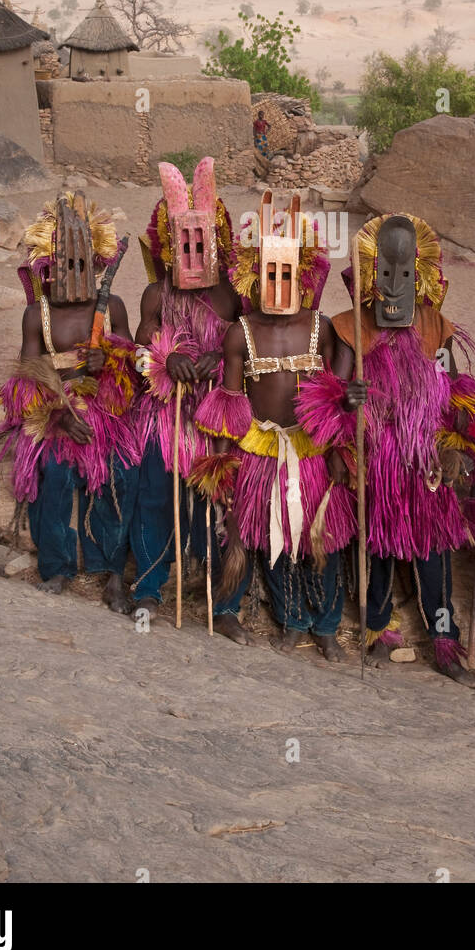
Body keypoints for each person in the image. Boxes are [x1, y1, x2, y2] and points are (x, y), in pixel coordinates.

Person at [297, 213, 475, 683]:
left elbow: (457, 394)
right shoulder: (350, 330)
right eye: (384, 274)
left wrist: (453, 445)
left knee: (433, 552)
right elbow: (326, 394)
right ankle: (376, 626)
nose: (393, 286)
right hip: (377, 464)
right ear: (370, 273)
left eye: (404, 275)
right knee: (377, 547)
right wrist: (347, 399)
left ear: (419, 274)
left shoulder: (434, 327)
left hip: (424, 462)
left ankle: (445, 638)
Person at [194, 191, 356, 660]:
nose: (279, 282)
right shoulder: (239, 333)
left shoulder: (321, 328)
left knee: (318, 536)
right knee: (260, 532)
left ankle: (325, 625)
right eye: (270, 272)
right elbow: (228, 400)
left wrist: (337, 450)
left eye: (288, 272)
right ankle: (284, 619)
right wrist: (222, 464)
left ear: (303, 273)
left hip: (308, 449)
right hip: (258, 446)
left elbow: (330, 393)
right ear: (254, 273)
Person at [0, 191, 139, 612]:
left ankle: (111, 572)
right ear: (46, 267)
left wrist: (108, 357)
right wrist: (57, 415)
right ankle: (56, 568)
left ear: (96, 266)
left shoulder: (113, 307)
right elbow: (26, 377)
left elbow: (134, 364)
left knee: (120, 473)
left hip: (106, 411)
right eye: (61, 265)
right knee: (53, 474)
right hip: (54, 413)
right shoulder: (36, 314)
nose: (70, 273)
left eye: (79, 264)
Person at [129, 157, 250, 641]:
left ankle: (226, 604)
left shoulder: (232, 298)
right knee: (157, 492)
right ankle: (151, 586)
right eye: (183, 242)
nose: (193, 252)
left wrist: (219, 362)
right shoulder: (155, 295)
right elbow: (137, 353)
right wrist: (164, 359)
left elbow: (250, 348)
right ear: (166, 244)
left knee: (225, 501)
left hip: (218, 417)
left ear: (216, 241)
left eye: (201, 242)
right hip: (167, 413)